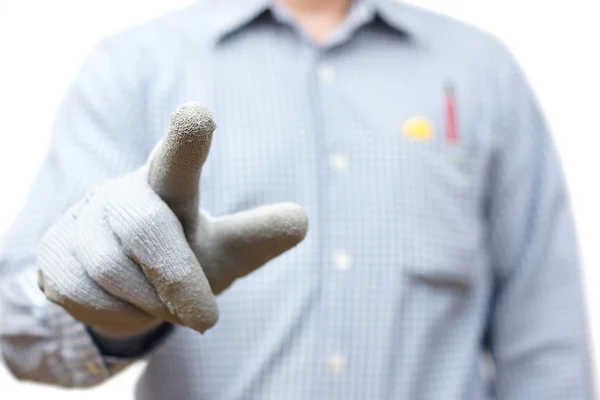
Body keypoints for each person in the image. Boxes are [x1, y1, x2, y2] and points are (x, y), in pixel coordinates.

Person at [0, 0, 594, 398]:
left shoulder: (481, 71)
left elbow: (546, 343)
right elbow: (22, 332)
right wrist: (114, 311)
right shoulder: (135, 66)